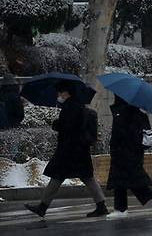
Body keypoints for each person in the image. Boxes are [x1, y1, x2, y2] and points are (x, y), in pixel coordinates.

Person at [24, 81, 108, 218]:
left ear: (66, 92)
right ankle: (101, 205)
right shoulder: (77, 105)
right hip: (78, 150)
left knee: (59, 176)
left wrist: (56, 124)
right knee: (85, 177)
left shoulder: (70, 107)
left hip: (69, 150)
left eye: (60, 92)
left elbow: (68, 127)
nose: (58, 95)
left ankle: (42, 207)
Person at [106, 95, 152, 219]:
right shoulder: (136, 110)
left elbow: (121, 133)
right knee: (124, 179)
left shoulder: (123, 111)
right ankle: (121, 208)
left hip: (124, 151)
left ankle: (149, 198)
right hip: (131, 150)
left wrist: (116, 146)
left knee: (126, 178)